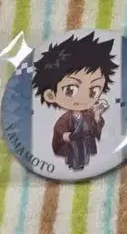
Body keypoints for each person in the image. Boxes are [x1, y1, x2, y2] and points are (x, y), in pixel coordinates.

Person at [32, 32, 119, 172]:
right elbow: (59, 133)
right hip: (73, 144)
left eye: (94, 91)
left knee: (84, 157)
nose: (84, 98)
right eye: (70, 90)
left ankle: (83, 165)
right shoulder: (64, 120)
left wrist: (97, 114)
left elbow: (96, 127)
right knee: (74, 158)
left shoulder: (89, 114)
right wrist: (64, 136)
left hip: (84, 144)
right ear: (50, 95)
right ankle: (75, 167)